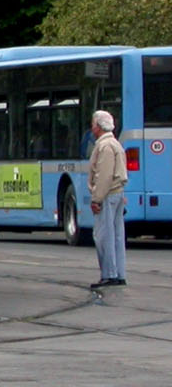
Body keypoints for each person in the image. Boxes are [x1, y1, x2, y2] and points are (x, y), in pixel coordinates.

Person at [87, 108, 128, 299]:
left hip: (108, 195)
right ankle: (119, 274)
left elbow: (103, 176)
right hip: (118, 194)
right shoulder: (116, 144)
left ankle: (109, 274)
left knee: (103, 236)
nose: (91, 127)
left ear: (98, 127)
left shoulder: (104, 147)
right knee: (117, 236)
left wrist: (96, 199)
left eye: (93, 124)